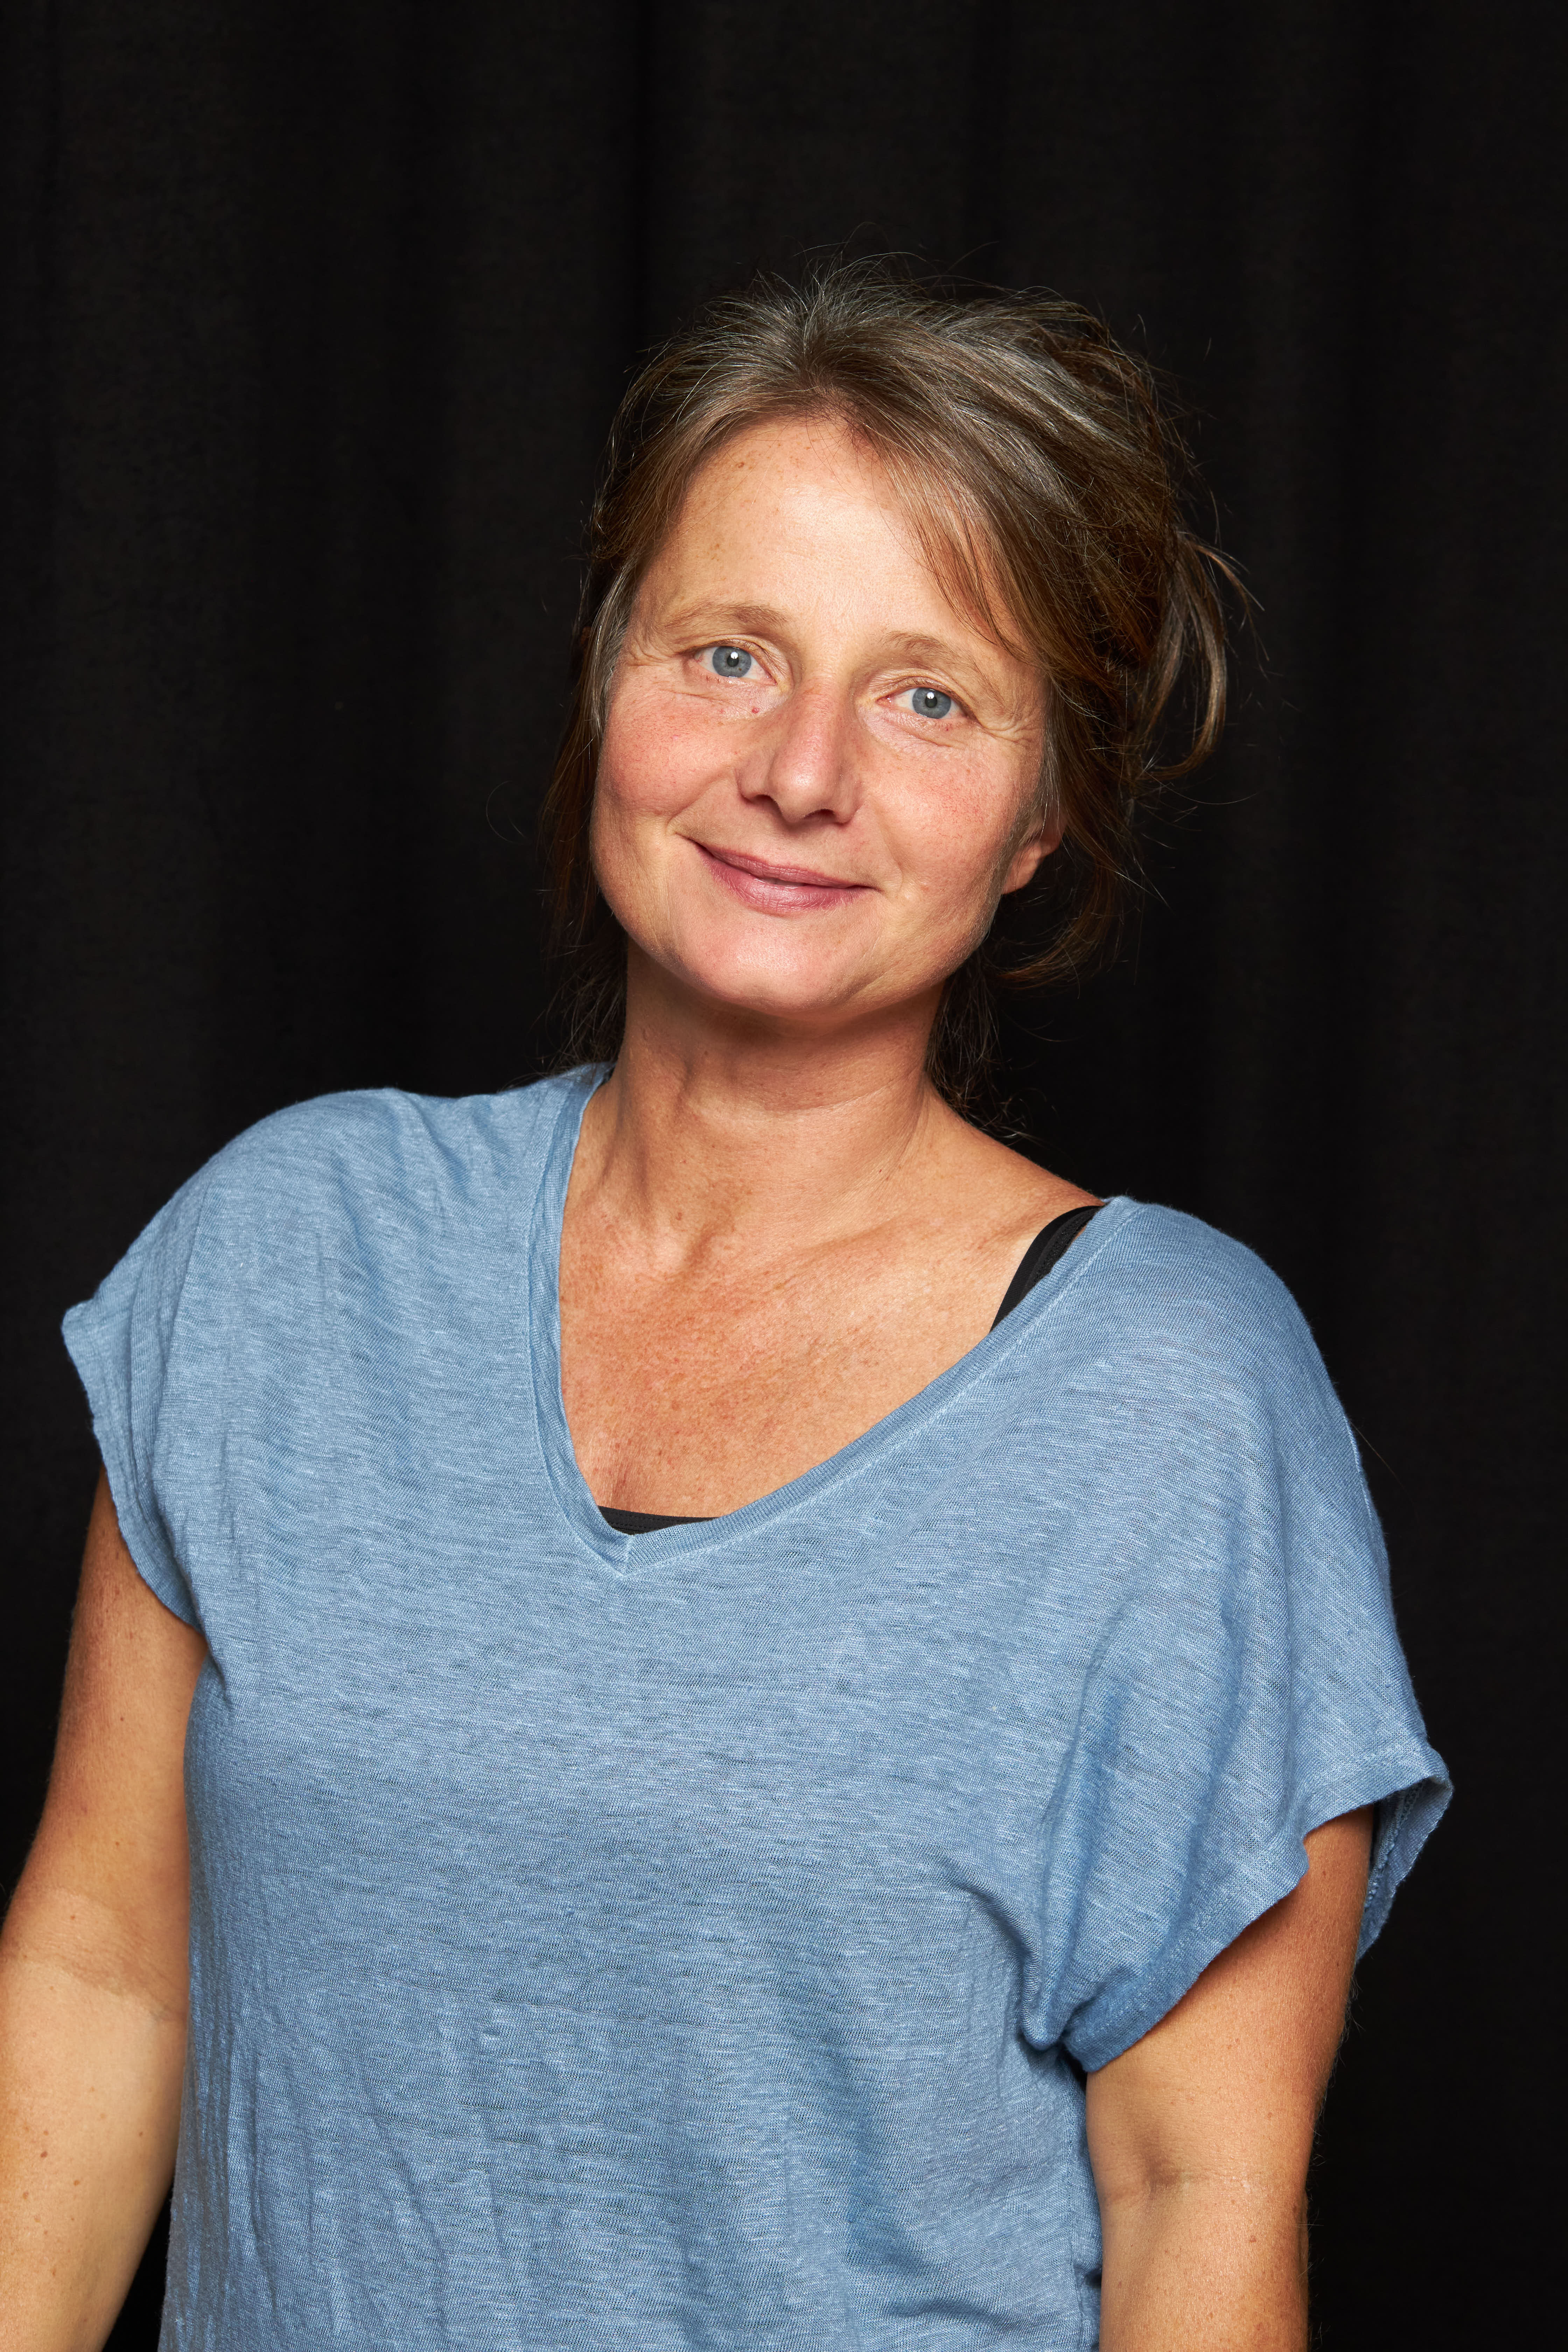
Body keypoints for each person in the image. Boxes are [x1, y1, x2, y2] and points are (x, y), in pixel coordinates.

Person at [0, 266, 1447, 2351]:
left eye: (929, 697)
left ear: (1043, 818)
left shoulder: (1175, 1405)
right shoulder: (284, 1255)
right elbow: (107, 1962)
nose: (799, 770)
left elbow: (1203, 2198)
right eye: (731, 653)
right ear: (610, 682)